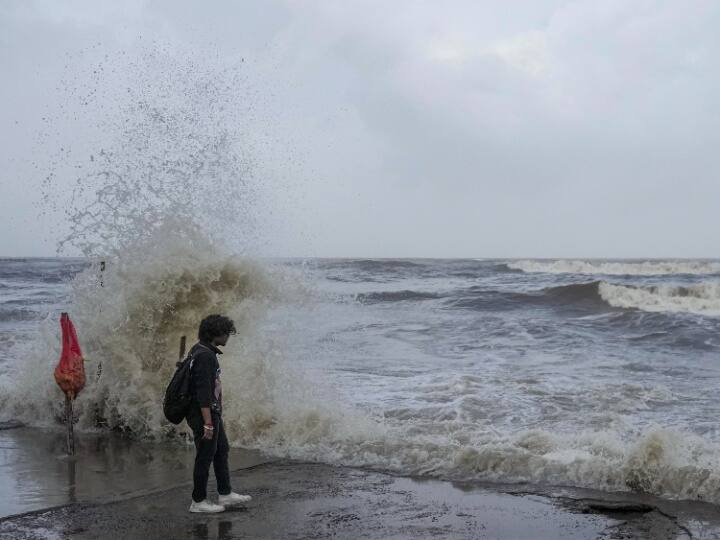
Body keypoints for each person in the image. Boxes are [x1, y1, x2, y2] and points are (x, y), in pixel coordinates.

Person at [186, 314, 252, 513]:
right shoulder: (205, 356)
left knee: (221, 449)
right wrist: (207, 422)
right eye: (226, 333)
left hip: (210, 412)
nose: (228, 336)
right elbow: (203, 393)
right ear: (216, 334)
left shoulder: (200, 349)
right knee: (205, 456)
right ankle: (198, 501)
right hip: (204, 413)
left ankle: (225, 494)